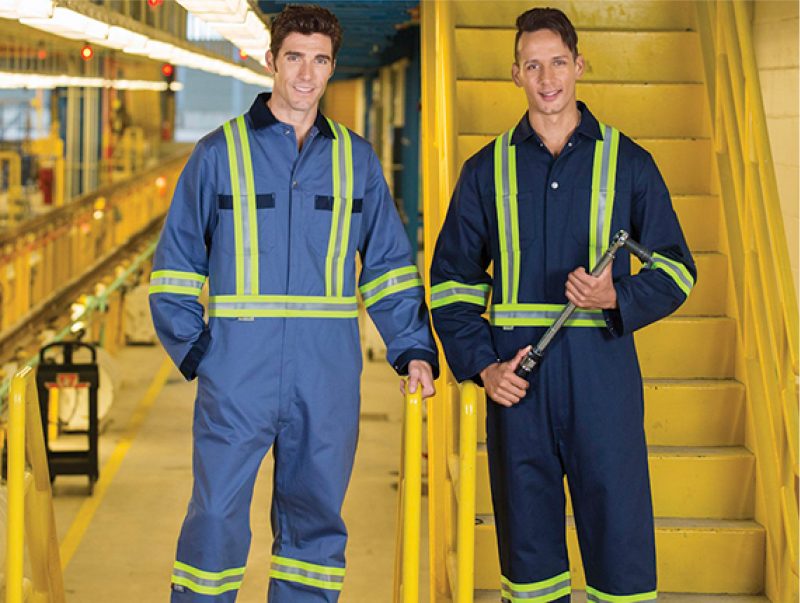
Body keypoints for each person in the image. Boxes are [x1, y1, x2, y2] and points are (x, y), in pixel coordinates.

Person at [149, 5, 437, 601]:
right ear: (271, 61)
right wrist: (200, 350)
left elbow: (386, 263)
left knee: (316, 524)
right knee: (214, 519)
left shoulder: (355, 161)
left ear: (332, 67)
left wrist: (411, 346)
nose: (307, 74)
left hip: (326, 374)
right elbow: (175, 266)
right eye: (295, 58)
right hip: (238, 371)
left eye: (321, 60)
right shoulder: (218, 154)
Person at [430, 7, 696, 603]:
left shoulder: (629, 163)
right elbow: (451, 284)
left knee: (620, 540)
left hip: (602, 374)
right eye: (532, 65)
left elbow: (678, 269)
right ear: (516, 75)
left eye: (557, 62)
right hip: (518, 381)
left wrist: (615, 295)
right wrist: (482, 366)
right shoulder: (485, 170)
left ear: (578, 65)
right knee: (527, 553)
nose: (547, 77)